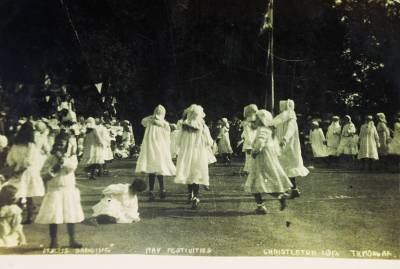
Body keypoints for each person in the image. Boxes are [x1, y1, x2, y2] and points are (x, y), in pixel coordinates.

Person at [35, 132, 84, 249]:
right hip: (55, 190)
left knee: (70, 215)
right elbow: (43, 174)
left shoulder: (72, 157)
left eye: (63, 144)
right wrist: (53, 169)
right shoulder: (50, 158)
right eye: (59, 144)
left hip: (68, 188)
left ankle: (72, 239)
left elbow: (71, 167)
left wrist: (61, 159)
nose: (61, 146)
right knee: (54, 216)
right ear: (56, 144)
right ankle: (53, 240)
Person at [245, 110, 291, 214]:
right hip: (267, 157)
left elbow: (260, 142)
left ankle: (261, 206)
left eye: (257, 118)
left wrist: (255, 152)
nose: (255, 120)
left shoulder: (262, 129)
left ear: (261, 120)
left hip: (262, 158)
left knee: (254, 182)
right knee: (259, 182)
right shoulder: (268, 130)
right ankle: (278, 197)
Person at [174, 105, 213, 209]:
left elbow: (179, 140)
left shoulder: (184, 125)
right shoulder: (203, 126)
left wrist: (179, 150)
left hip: (187, 152)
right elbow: (209, 141)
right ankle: (195, 196)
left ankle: (190, 194)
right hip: (198, 152)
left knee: (188, 172)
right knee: (196, 173)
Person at [6, 122, 45, 224]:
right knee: (28, 195)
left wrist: (15, 168)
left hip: (17, 171)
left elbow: (10, 159)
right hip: (28, 172)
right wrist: (21, 169)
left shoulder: (15, 145)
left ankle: (15, 217)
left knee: (17, 194)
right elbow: (29, 160)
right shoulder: (31, 145)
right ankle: (29, 216)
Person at [135, 105, 176, 201]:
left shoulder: (149, 121)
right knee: (159, 170)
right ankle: (162, 190)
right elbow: (167, 138)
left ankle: (152, 191)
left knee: (151, 171)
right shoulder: (165, 124)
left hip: (150, 149)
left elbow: (143, 121)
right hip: (160, 149)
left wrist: (153, 117)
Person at [272, 99, 309, 199]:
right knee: (284, 168)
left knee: (288, 168)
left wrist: (284, 139)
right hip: (281, 147)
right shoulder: (282, 118)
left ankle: (289, 189)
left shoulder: (291, 118)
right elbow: (274, 125)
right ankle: (293, 189)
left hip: (289, 147)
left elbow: (290, 130)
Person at [241, 104, 258, 174]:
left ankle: (248, 170)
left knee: (249, 157)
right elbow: (247, 134)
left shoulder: (248, 123)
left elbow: (246, 133)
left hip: (251, 142)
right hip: (250, 143)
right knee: (249, 157)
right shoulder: (248, 123)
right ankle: (248, 170)